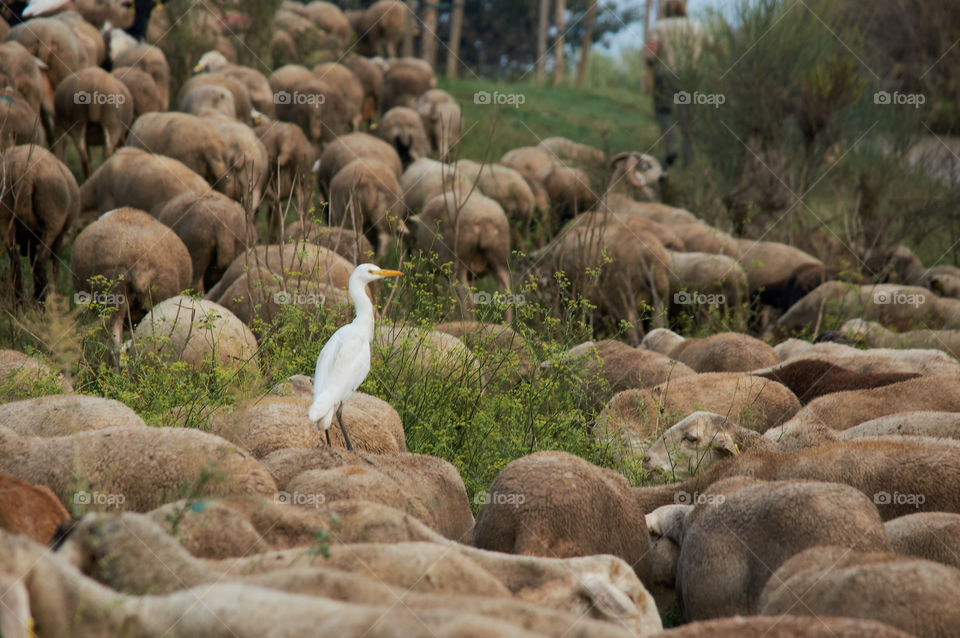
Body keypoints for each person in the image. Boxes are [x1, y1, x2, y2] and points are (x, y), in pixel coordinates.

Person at [644, 0, 706, 169]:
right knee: (687, 121)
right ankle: (689, 165)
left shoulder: (659, 27)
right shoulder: (697, 27)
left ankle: (671, 145)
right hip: (689, 77)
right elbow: (712, 47)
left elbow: (650, 54)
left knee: (663, 111)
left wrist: (649, 69)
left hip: (665, 75)